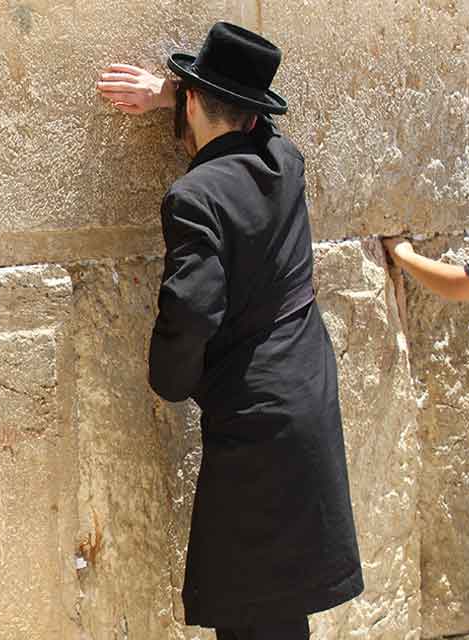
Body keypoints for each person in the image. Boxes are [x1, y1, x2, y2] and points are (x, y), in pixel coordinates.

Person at [98, 23, 363, 639]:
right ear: (253, 114)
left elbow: (190, 310)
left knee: (249, 609)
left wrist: (169, 381)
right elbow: (258, 125)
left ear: (194, 100)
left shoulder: (195, 196)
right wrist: (178, 93)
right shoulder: (284, 162)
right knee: (279, 604)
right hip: (308, 400)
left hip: (254, 425)